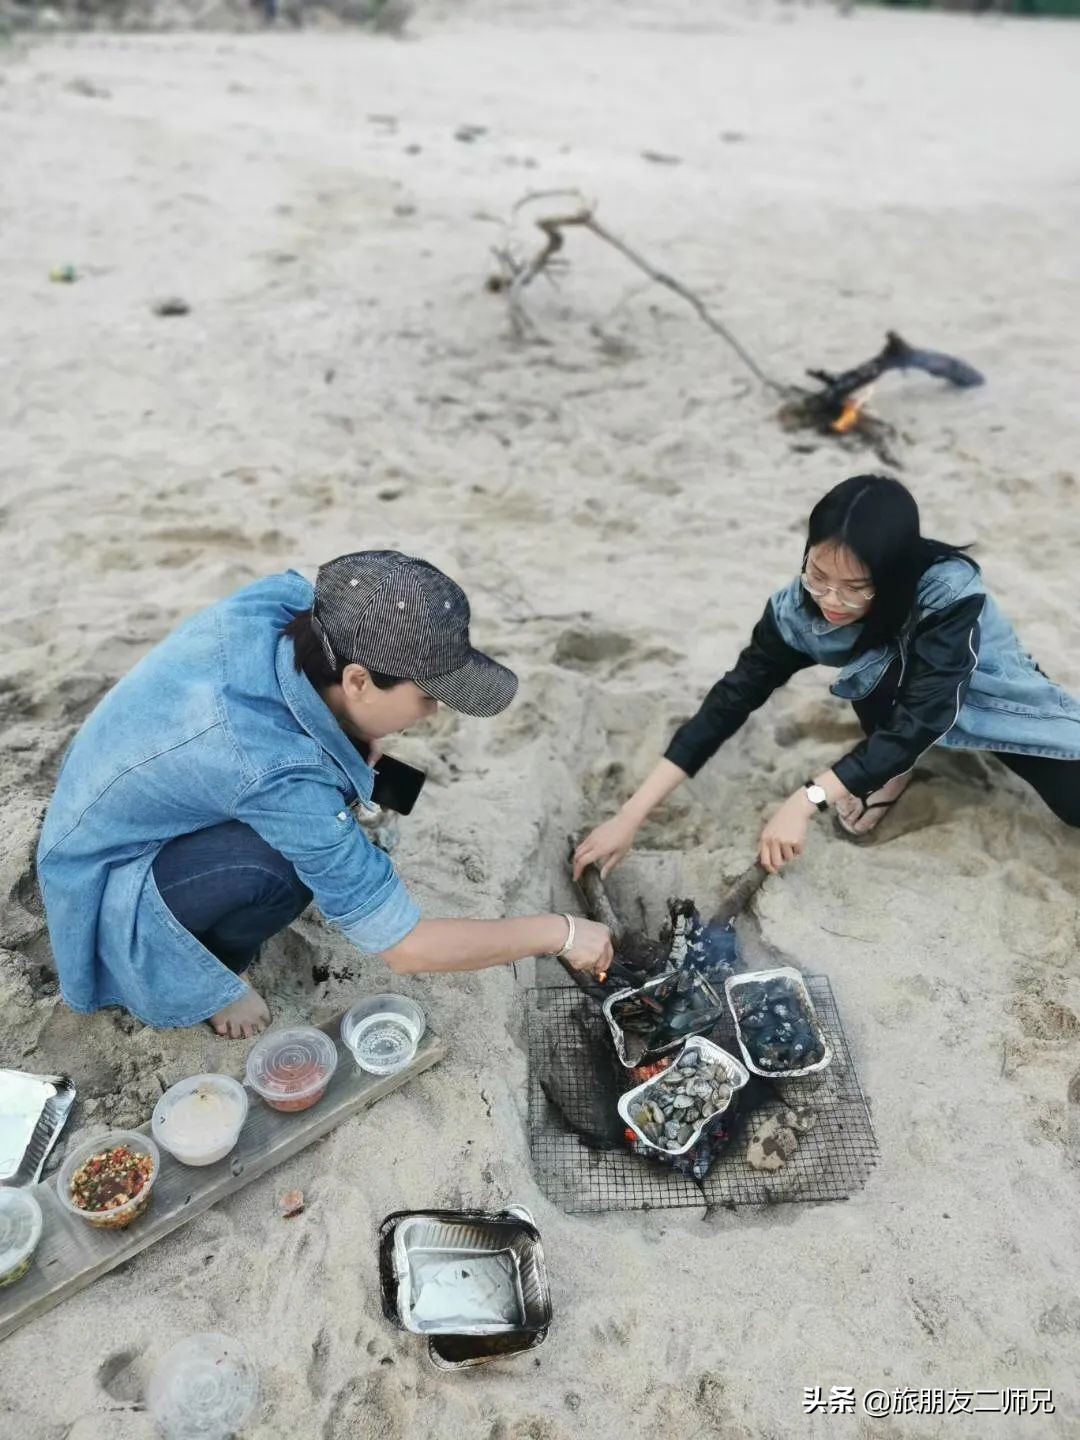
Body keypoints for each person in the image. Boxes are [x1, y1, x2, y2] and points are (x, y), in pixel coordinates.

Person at [38, 551, 612, 1038]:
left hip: (125, 785)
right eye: (427, 696)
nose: (435, 713)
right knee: (283, 874)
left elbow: (308, 731)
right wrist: (559, 933)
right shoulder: (276, 769)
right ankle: (216, 976)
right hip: (108, 876)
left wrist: (362, 749)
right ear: (358, 680)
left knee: (354, 766)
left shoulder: (292, 607)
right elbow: (404, 947)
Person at [574, 474, 1080, 882]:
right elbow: (730, 700)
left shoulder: (947, 592)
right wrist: (630, 816)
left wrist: (806, 800)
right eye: (818, 575)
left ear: (893, 574)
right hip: (896, 696)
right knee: (875, 673)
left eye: (856, 587)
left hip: (990, 695)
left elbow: (925, 715)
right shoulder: (797, 611)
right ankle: (888, 767)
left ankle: (888, 761)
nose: (831, 601)